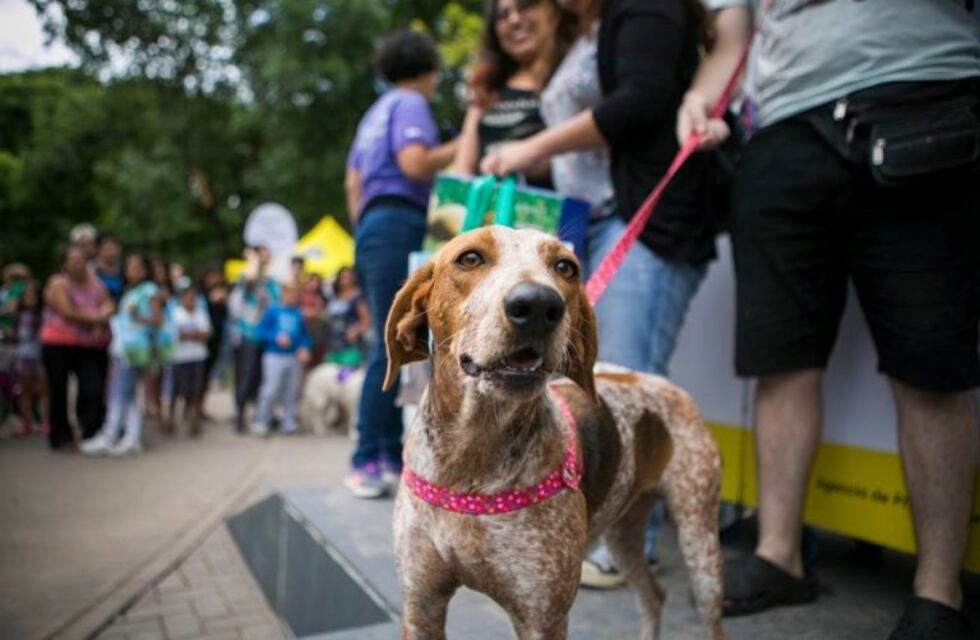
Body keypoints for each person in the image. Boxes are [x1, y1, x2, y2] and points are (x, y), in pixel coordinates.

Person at [678, 2, 980, 637]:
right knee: (778, 357)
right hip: (782, 130)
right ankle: (779, 551)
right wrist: (701, 99)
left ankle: (938, 590)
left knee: (932, 361)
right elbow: (734, 33)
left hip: (925, 94)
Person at [482, 0, 716, 587]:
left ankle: (621, 546)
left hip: (647, 216)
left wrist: (533, 147)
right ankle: (595, 536)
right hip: (603, 222)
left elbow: (641, 103)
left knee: (626, 382)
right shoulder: (584, 32)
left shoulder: (642, 11)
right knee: (592, 381)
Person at [344, 29, 458, 498]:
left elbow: (352, 184)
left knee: (391, 339)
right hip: (399, 219)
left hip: (371, 225)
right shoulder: (410, 104)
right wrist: (468, 139)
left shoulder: (373, 114)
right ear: (427, 69)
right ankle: (366, 457)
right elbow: (414, 163)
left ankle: (387, 452)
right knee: (394, 341)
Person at [449, 0, 576, 187]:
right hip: (488, 211)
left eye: (525, 6)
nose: (515, 20)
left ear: (553, 10)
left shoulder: (574, 75)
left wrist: (531, 157)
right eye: (503, 16)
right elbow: (463, 169)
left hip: (552, 208)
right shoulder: (487, 86)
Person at [81, 254, 164, 456]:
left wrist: (138, 317)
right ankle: (130, 437)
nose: (133, 271)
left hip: (134, 348)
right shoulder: (130, 291)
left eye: (138, 267)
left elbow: (157, 319)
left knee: (119, 394)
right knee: (127, 395)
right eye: (130, 266)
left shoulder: (148, 290)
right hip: (123, 348)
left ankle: (111, 435)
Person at [40, 246, 113, 451]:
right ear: (64, 264)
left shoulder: (94, 282)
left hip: (89, 346)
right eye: (73, 260)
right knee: (58, 390)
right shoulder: (58, 283)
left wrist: (103, 314)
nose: (78, 264)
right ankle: (60, 435)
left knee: (94, 388)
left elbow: (108, 303)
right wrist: (96, 319)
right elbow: (67, 311)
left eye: (81, 260)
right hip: (58, 345)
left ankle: (90, 430)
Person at [228, 245, 280, 433]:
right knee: (246, 375)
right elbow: (249, 281)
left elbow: (277, 305)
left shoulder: (272, 283)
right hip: (247, 334)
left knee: (263, 377)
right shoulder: (246, 279)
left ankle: (261, 414)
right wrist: (253, 259)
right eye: (262, 256)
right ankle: (239, 415)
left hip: (266, 336)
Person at [251, 284, 310, 437]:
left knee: (292, 389)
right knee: (271, 388)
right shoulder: (272, 311)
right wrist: (275, 338)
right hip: (274, 355)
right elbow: (260, 332)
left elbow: (303, 334)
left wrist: (304, 347)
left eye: (295, 294)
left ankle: (288, 421)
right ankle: (261, 420)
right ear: (283, 294)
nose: (292, 297)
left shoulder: (298, 312)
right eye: (289, 293)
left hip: (293, 356)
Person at [169, 282, 211, 436]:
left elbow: (206, 334)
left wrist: (189, 335)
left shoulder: (201, 313)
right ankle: (171, 419)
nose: (191, 299)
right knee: (176, 391)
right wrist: (195, 335)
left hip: (197, 357)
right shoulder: (175, 313)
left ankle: (193, 420)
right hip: (179, 358)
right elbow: (176, 335)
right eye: (188, 296)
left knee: (195, 391)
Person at [13, 279, 47, 437]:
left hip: (39, 356)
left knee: (42, 392)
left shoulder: (44, 315)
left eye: (32, 295)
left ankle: (44, 421)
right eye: (26, 295)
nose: (29, 298)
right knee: (24, 392)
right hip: (23, 357)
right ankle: (25, 421)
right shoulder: (18, 315)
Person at [324, 267, 370, 367]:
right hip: (333, 343)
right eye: (343, 277)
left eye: (348, 277)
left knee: (346, 377)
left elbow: (366, 320)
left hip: (351, 344)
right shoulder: (334, 296)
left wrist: (356, 331)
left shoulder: (358, 296)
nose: (345, 280)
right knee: (332, 375)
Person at [93, 232, 124, 304]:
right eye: (107, 249)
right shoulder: (92, 271)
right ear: (98, 250)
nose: (112, 252)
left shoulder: (124, 268)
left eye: (114, 248)